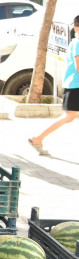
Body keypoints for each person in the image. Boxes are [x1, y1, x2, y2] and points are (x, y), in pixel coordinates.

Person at [29, 14, 79, 155]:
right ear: (76, 28)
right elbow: (78, 66)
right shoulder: (77, 43)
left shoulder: (75, 42)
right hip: (75, 86)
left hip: (73, 85)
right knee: (68, 116)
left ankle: (38, 138)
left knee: (69, 116)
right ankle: (38, 138)